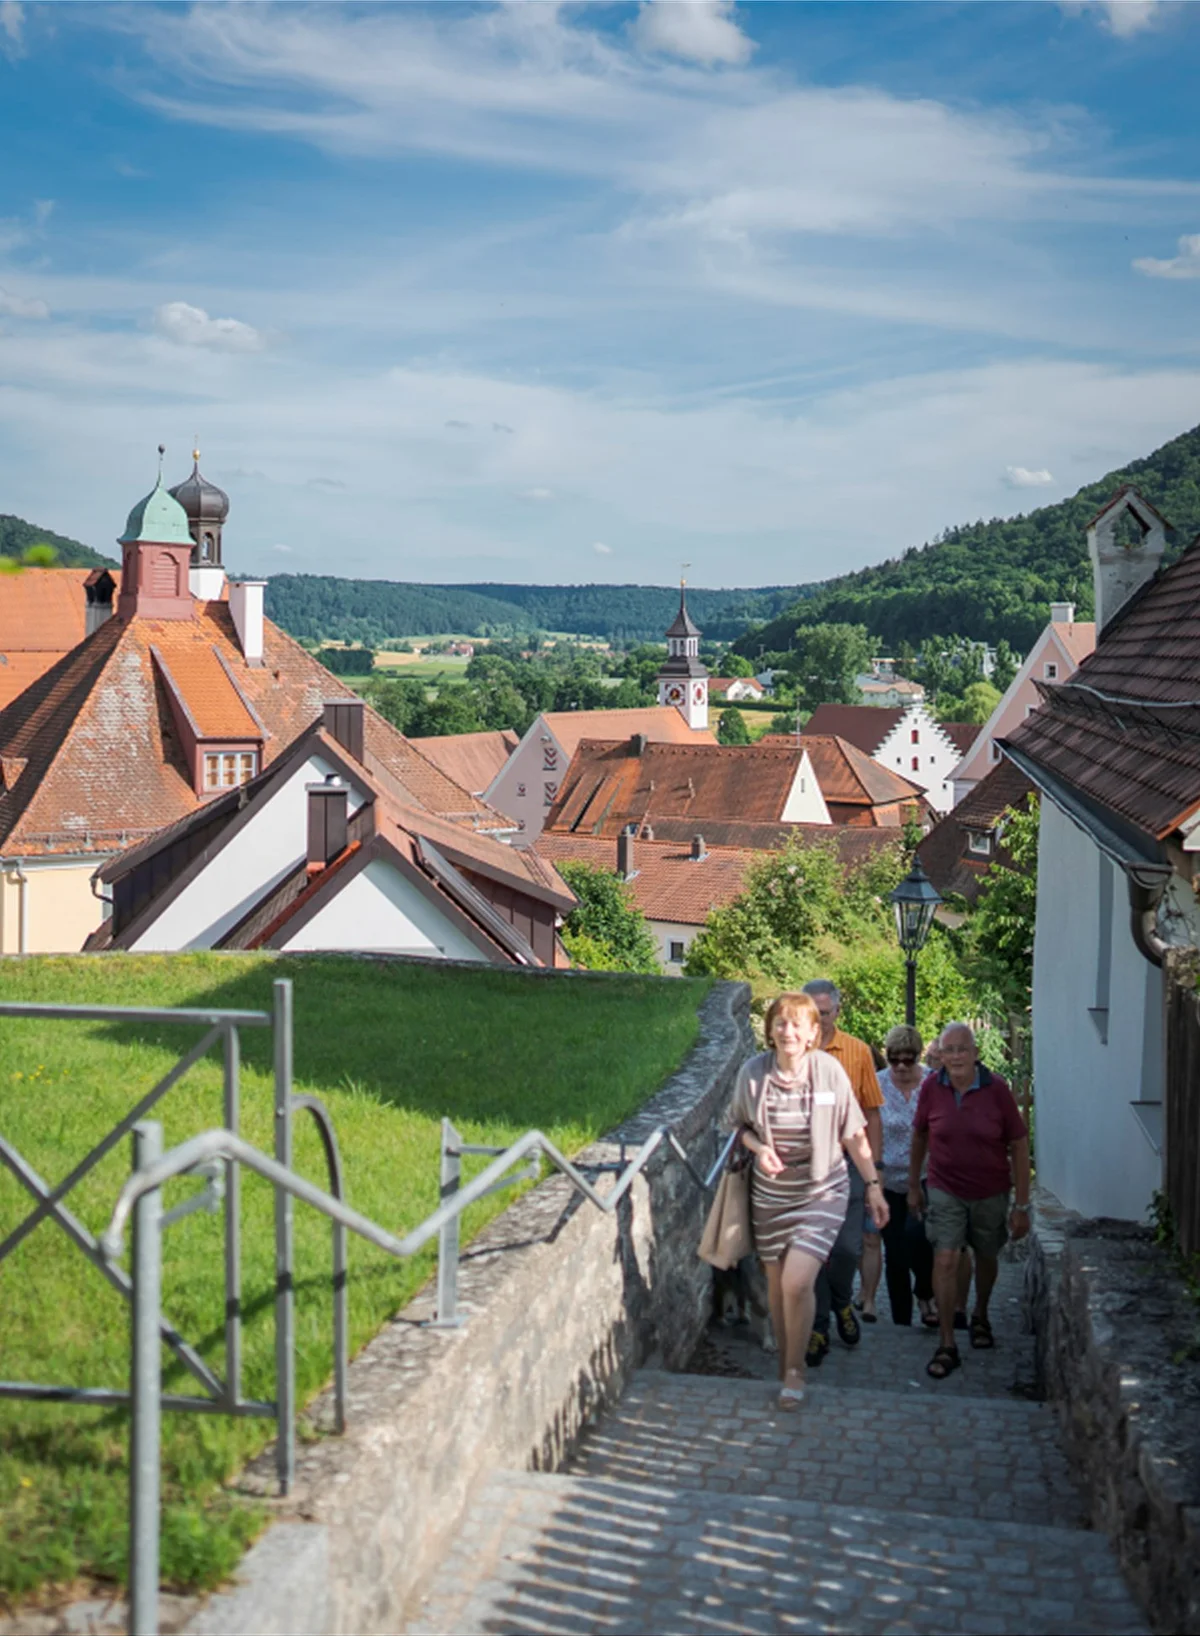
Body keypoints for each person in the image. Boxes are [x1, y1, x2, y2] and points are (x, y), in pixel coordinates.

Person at [729, 991, 888, 1407]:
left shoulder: (829, 1072)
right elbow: (739, 1127)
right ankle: (787, 1367)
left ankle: (796, 1373)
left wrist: (872, 1184)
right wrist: (758, 1148)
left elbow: (854, 1132)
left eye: (798, 1023)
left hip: (822, 1189)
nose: (788, 1031)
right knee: (780, 1288)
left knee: (798, 1281)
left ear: (814, 1032)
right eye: (781, 1022)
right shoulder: (752, 1073)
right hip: (771, 1195)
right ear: (770, 1029)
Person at [907, 1021, 1031, 1380]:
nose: (957, 1056)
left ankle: (980, 1313)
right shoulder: (931, 1087)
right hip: (945, 1187)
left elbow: (1020, 1145)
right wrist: (914, 1185)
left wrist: (1021, 1205)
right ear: (940, 1055)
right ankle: (947, 1343)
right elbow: (919, 1135)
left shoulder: (997, 1090)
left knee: (986, 1255)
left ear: (976, 1054)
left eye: (963, 1049)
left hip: (990, 1189)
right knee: (945, 1257)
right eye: (950, 1050)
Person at [800, 979, 884, 1367]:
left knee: (848, 1247)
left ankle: (841, 1303)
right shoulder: (792, 1051)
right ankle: (819, 1326)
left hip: (848, 1163)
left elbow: (871, 1112)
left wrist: (875, 1173)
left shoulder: (857, 1052)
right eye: (812, 1014)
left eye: (826, 1013)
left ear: (838, 1011)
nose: (819, 1021)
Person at [858, 1024, 937, 1326]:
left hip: (926, 1176)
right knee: (894, 1249)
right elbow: (864, 1129)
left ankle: (925, 1294)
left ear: (919, 1056)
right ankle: (901, 1318)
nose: (902, 1066)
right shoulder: (877, 1085)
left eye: (909, 1059)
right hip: (887, 1178)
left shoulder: (931, 1083)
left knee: (919, 1239)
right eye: (894, 1059)